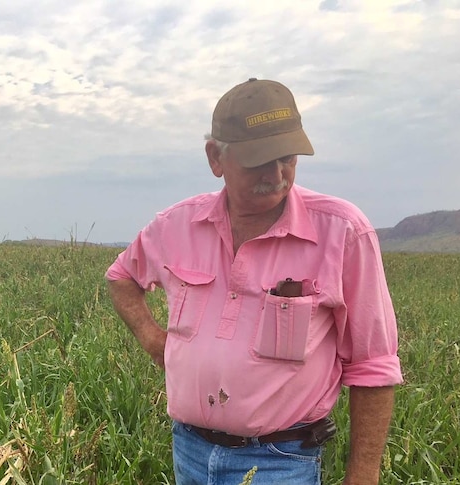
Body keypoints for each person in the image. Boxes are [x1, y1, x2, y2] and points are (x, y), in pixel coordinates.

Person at [106, 78, 402, 485]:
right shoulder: (175, 226)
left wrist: (363, 476)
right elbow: (121, 277)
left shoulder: (343, 232)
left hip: (281, 461)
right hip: (188, 449)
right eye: (259, 160)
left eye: (288, 157)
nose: (277, 173)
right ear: (215, 158)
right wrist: (152, 338)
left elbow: (373, 364)